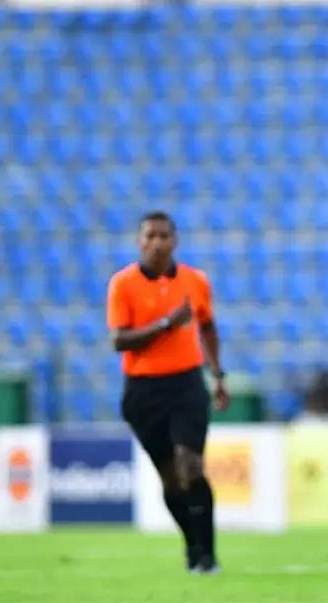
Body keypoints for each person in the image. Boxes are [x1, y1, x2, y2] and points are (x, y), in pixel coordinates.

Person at [106, 212, 230, 574]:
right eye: (150, 236)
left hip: (186, 383)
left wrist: (217, 375)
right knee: (170, 477)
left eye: (164, 236)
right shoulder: (123, 284)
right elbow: (118, 340)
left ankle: (207, 555)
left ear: (174, 241)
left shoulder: (195, 281)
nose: (157, 242)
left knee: (191, 465)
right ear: (140, 241)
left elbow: (207, 326)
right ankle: (192, 545)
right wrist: (166, 324)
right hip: (143, 390)